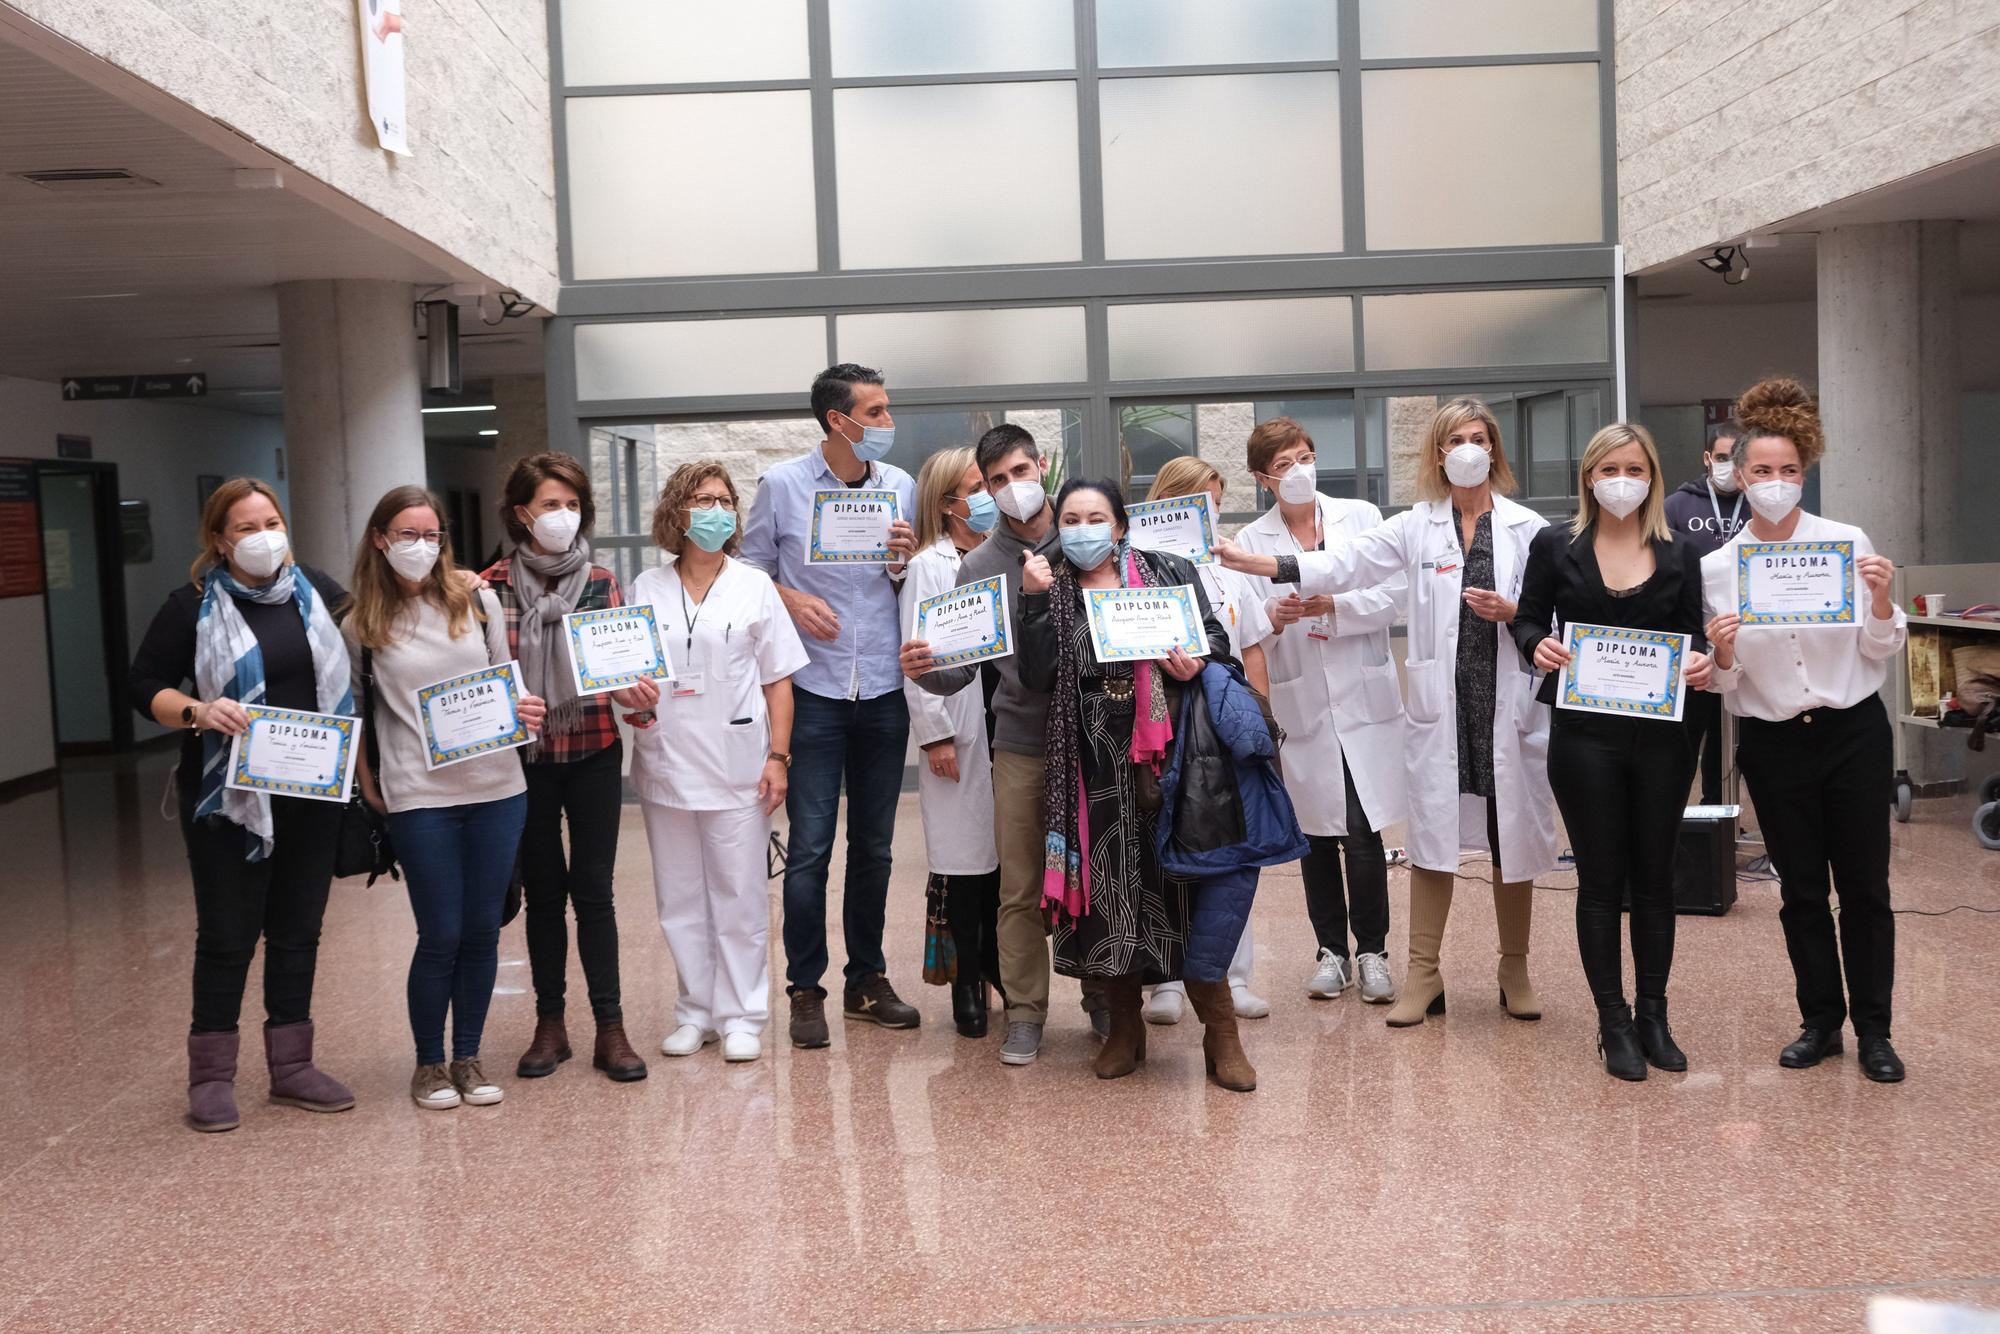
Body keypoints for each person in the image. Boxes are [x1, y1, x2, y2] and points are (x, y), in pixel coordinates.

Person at [1216, 397, 1557, 1029]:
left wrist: (1516, 617)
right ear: (1437, 451)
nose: (1468, 448)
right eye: (1455, 437)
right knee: (1429, 840)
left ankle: (1515, 969)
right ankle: (1423, 975)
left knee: (1513, 838)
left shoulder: (1530, 528)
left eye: (1478, 437)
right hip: (1441, 704)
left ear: (1495, 448)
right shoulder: (1412, 525)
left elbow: (1546, 613)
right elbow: (1341, 565)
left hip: (1503, 703)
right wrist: (1259, 563)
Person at [128, 478, 356, 1133]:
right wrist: (199, 711)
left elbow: (372, 638)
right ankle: (210, 1077)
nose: (262, 536)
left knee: (298, 930)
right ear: (219, 540)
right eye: (245, 526)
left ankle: (292, 1068)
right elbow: (143, 684)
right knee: (228, 936)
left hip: (312, 792)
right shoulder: (191, 606)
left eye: (270, 520)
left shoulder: (315, 589)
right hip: (230, 799)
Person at [1701, 378, 1907, 1083]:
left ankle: (1876, 1029)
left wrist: (1880, 600)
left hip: (1853, 733)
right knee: (1800, 891)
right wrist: (1722, 651)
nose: (1776, 483)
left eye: (1789, 471)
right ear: (1739, 475)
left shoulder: (1846, 545)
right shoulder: (1719, 568)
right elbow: (1726, 686)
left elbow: (1880, 649)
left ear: (1805, 472)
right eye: (1762, 471)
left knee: (1865, 886)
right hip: (1774, 740)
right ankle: (1821, 1020)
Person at [1021, 479, 1248, 1087]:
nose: (1083, 528)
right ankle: (1125, 1027)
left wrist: (1197, 660)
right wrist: (1033, 601)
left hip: (1172, 755)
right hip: (1089, 764)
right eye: (1070, 518)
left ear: (1120, 526)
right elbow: (1038, 676)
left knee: (1189, 888)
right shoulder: (1050, 584)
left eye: (1096, 517)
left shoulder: (1167, 569)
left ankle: (1221, 1031)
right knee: (1112, 888)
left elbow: (1220, 641)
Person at [1512, 424, 1712, 1082]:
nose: (1621, 479)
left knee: (1654, 880)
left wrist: (1703, 664)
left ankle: (1654, 1014)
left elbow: (1690, 638)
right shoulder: (1555, 544)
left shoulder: (1680, 551)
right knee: (1600, 882)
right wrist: (1536, 644)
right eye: (1609, 468)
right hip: (1583, 737)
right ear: (1589, 477)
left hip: (1662, 737)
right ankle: (1613, 1020)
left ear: (1652, 477)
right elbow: (1528, 616)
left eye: (1635, 467)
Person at [740, 363, 921, 1048]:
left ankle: (866, 980)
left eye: (886, 411)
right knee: (811, 849)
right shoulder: (783, 485)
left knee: (874, 848)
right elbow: (749, 569)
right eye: (874, 413)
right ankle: (805, 988)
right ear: (837, 422)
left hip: (881, 687)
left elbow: (904, 577)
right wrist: (791, 598)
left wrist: (903, 557)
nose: (886, 425)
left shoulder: (899, 486)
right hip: (811, 690)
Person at [900, 424, 1093, 1068]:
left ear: (1042, 465)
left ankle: (1105, 996)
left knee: (1097, 871)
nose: (1012, 489)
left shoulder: (1088, 540)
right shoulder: (978, 566)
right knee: (1020, 885)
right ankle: (1027, 1013)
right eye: (997, 481)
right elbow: (958, 669)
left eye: (1020, 472)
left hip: (1097, 736)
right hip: (1021, 741)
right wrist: (924, 666)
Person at [348, 485, 546, 1111]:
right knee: (440, 933)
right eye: (407, 535)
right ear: (381, 539)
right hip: (418, 796)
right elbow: (352, 710)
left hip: (497, 787)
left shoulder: (474, 597)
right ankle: (428, 1064)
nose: (421, 547)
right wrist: (366, 782)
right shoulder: (360, 622)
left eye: (431, 535)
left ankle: (468, 1056)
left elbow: (502, 683)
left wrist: (524, 710)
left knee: (483, 930)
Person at [629, 462, 808, 1064]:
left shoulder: (754, 584)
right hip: (667, 760)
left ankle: (742, 1014)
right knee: (679, 898)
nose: (717, 510)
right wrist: (629, 703)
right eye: (704, 499)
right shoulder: (646, 588)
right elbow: (629, 678)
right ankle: (695, 1012)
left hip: (739, 763)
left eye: (725, 500)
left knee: (739, 895)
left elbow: (779, 680)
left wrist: (778, 758)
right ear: (677, 512)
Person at [1233, 418, 1410, 1006]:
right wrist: (1277, 619)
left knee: (1363, 832)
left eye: (1305, 457)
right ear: (1263, 478)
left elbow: (1394, 593)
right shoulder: (1253, 541)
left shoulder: (1359, 516)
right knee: (1314, 836)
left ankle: (1374, 952)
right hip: (1301, 699)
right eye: (1284, 464)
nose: (1298, 471)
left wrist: (1334, 605)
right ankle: (1330, 952)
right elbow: (1246, 625)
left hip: (1362, 695)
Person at [483, 453, 646, 1084]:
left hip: (594, 751)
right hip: (526, 761)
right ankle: (550, 1024)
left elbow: (627, 673)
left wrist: (640, 698)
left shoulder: (602, 582)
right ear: (521, 512)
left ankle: (611, 1026)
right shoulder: (488, 587)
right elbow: (476, 679)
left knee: (595, 891)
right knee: (544, 895)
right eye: (551, 505)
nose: (563, 516)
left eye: (573, 505)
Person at [1138, 456, 1274, 1026]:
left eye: (1217, 502)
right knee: (1164, 848)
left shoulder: (1231, 565)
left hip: (1224, 725)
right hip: (1163, 724)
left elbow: (1253, 647)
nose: (1211, 513)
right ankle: (1165, 982)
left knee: (1231, 851)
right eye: (1201, 501)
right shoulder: (1137, 566)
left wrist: (1260, 724)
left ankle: (1231, 975)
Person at [899, 446, 1003, 1038]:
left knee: (1002, 864)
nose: (989, 494)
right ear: (948, 503)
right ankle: (967, 979)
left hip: (1006, 726)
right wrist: (935, 734)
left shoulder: (1007, 554)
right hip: (959, 728)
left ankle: (998, 968)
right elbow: (915, 657)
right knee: (964, 866)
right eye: (977, 487)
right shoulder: (929, 566)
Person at [1665, 423, 1749, 804]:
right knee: (1690, 730)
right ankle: (1679, 818)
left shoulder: (1758, 504)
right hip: (1694, 638)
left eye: (1736, 459)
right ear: (1706, 459)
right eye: (1721, 458)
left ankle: (1718, 806)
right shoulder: (1677, 506)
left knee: (1732, 737)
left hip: (1746, 640)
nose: (1728, 467)